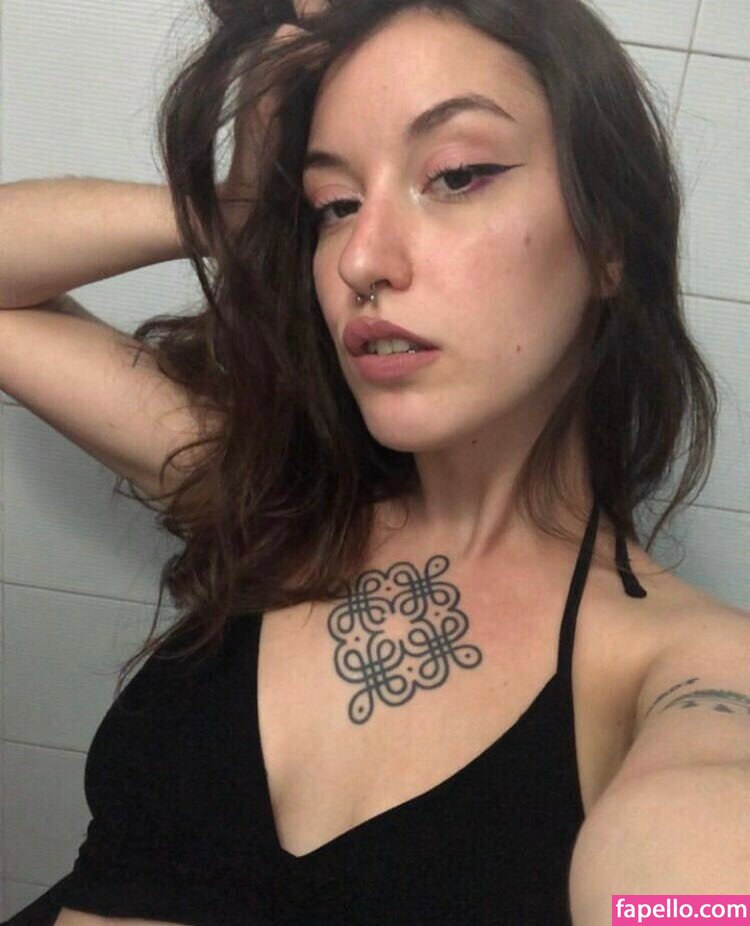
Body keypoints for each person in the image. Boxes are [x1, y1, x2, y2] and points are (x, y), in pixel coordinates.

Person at [2, 0, 748, 924]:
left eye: (456, 174)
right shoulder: (275, 494)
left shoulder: (687, 669)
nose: (361, 257)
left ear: (610, 242)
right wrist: (230, 214)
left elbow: (701, 877)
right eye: (333, 205)